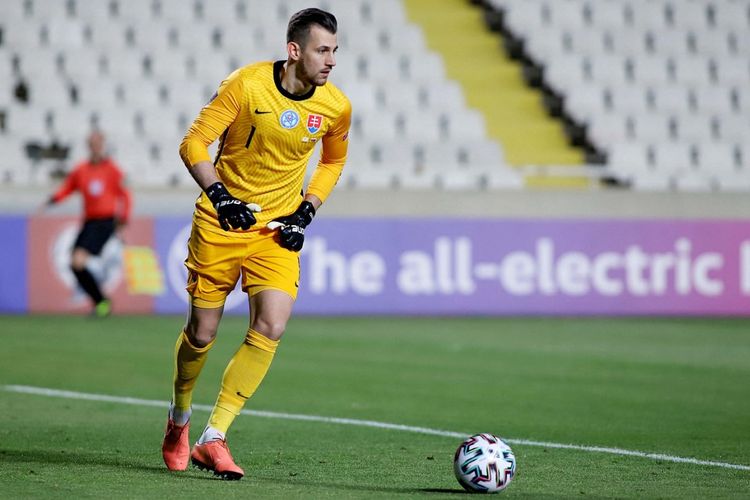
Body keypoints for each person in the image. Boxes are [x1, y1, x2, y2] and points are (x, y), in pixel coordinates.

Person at [161, 8, 351, 480]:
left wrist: (306, 210)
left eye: (334, 51)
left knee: (272, 324)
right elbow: (194, 143)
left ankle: (214, 437)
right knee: (202, 333)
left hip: (276, 232)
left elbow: (332, 162)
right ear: (294, 51)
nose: (330, 61)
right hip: (221, 224)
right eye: (321, 50)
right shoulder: (246, 86)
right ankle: (179, 419)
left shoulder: (336, 106)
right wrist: (220, 196)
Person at [41, 130, 131, 317]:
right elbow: (67, 189)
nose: (96, 147)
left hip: (105, 222)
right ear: (89, 146)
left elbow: (125, 195)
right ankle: (101, 302)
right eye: (92, 144)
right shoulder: (81, 170)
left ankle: (101, 302)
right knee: (75, 264)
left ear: (103, 146)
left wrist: (123, 219)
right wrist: (52, 200)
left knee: (78, 261)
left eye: (98, 144)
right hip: (89, 222)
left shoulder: (112, 170)